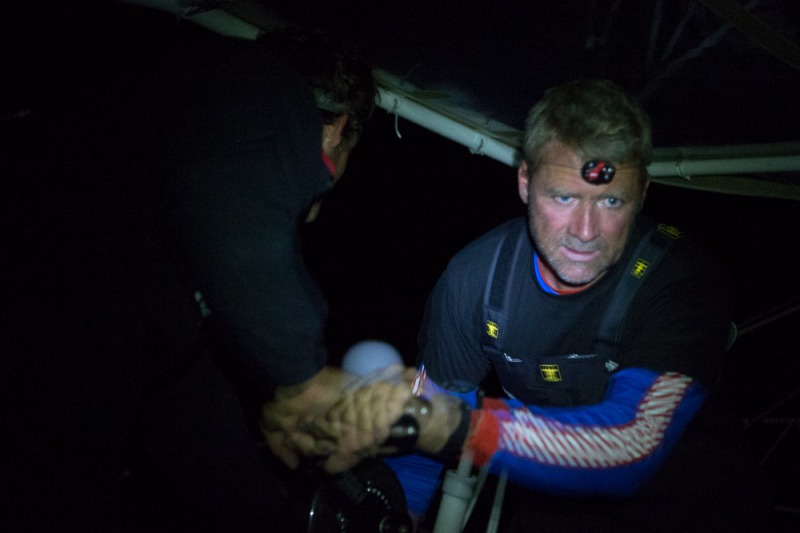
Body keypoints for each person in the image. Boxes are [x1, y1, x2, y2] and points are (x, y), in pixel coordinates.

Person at [1, 20, 411, 531]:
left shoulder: (173, 211)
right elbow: (241, 233)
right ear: (335, 129)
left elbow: (191, 404)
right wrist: (304, 378)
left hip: (127, 347)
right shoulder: (258, 87)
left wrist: (280, 404)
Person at [318, 79, 767, 531]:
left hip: (697, 504)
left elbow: (633, 447)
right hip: (557, 505)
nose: (586, 231)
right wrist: (398, 512)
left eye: (611, 201)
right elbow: (422, 452)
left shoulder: (681, 279)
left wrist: (456, 426)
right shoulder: (474, 279)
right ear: (525, 182)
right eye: (564, 197)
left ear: (643, 194)